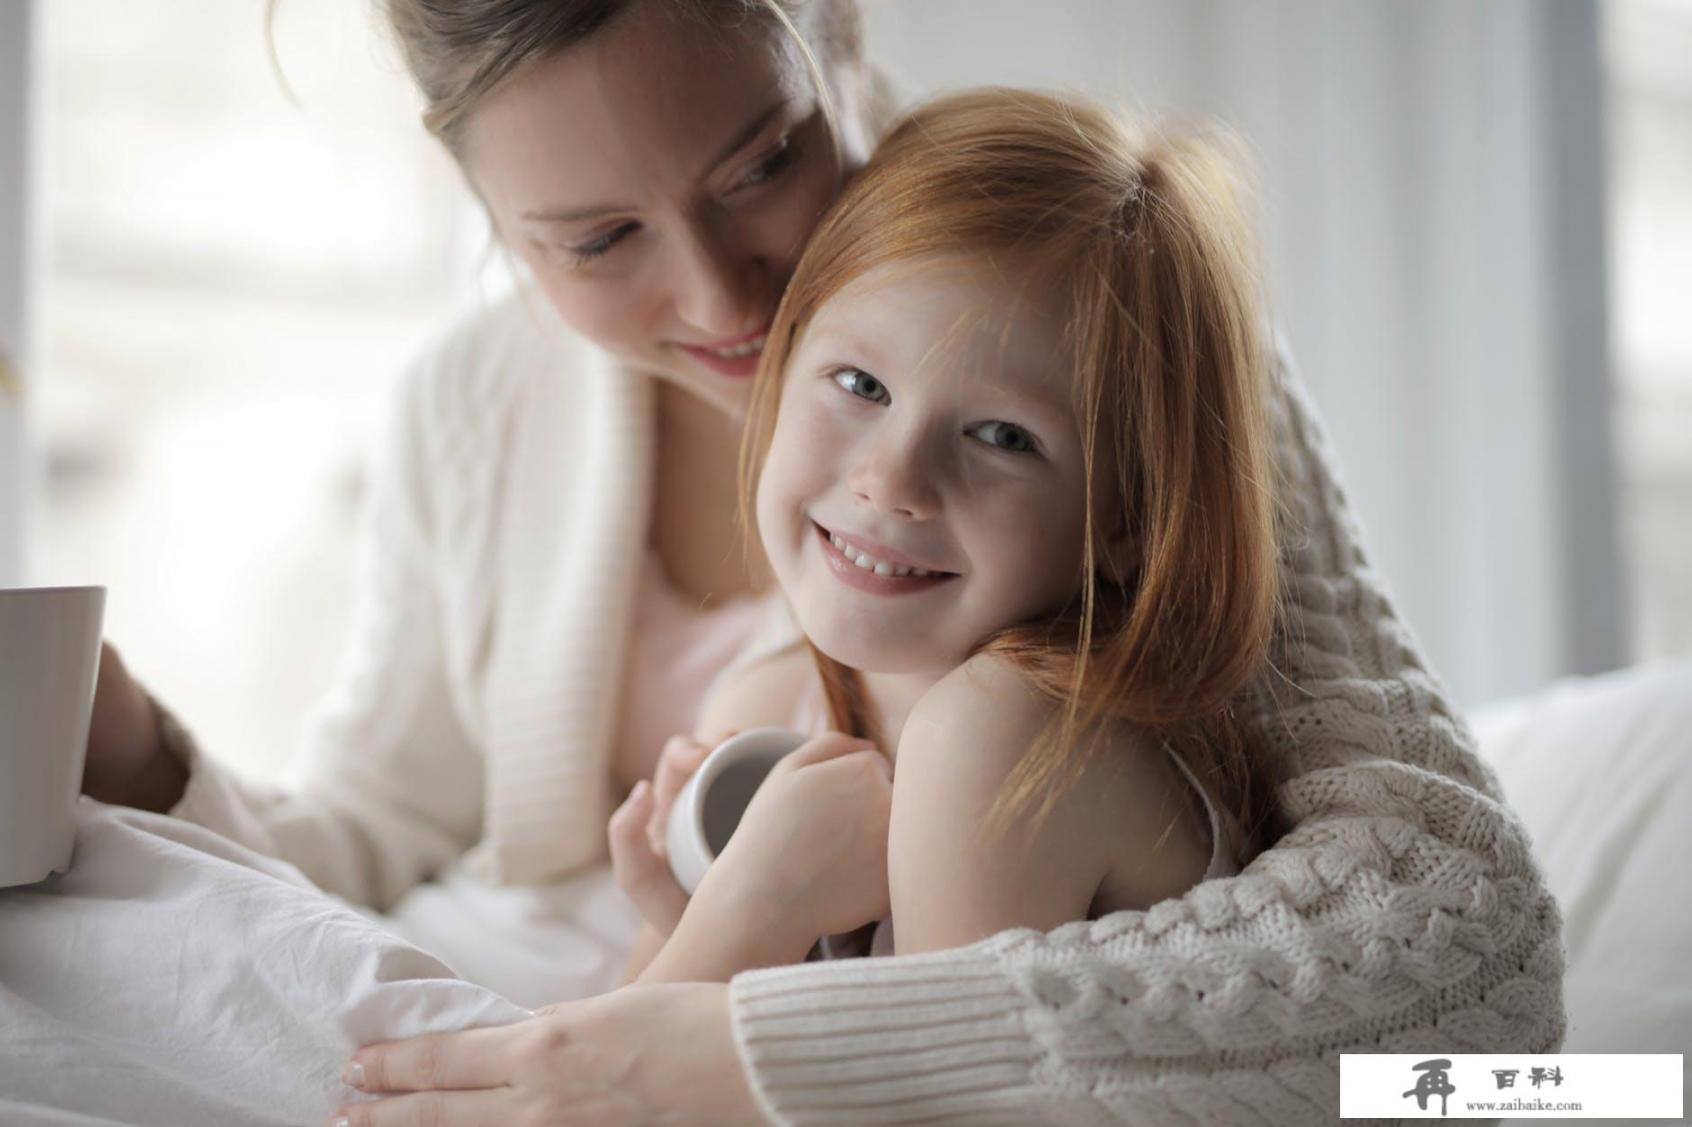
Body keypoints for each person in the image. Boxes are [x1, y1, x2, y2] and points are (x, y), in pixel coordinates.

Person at [66, 0, 1561, 1122]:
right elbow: (377, 840)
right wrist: (134, 758)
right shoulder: (475, 404)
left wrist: (730, 1020)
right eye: (594, 241)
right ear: (498, 229)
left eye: (761, 162)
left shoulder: (1101, 303)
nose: (722, 295)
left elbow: (1471, 988)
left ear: (834, 28)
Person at [610, 89, 1285, 987]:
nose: (889, 480)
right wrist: (684, 920)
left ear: (1129, 524)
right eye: (858, 381)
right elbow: (590, 1072)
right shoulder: (769, 712)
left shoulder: (1005, 737)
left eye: (1004, 437)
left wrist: (745, 917)